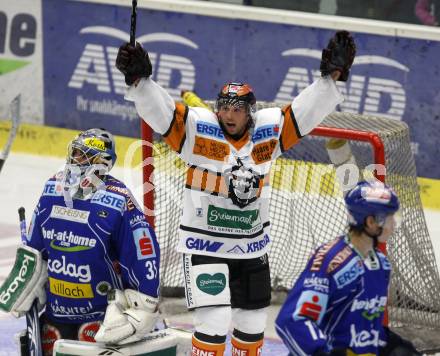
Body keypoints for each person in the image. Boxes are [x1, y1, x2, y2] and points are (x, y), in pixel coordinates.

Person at [115, 30, 355, 356]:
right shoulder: (200, 128)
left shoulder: (269, 131)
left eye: (236, 109)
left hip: (252, 248)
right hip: (204, 245)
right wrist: (141, 81)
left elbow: (304, 112)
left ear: (250, 112)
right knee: (214, 322)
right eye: (224, 107)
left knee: (254, 323)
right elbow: (163, 114)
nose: (228, 114)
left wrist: (330, 79)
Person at [2, 128, 160, 355]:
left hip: (101, 321)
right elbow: (36, 248)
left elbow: (142, 252)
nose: (74, 160)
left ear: (102, 162)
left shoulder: (119, 200)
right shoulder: (52, 191)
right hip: (55, 317)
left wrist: (144, 301)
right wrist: (26, 274)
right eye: (74, 153)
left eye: (82, 155)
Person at [275, 180, 421, 356]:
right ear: (371, 222)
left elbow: (361, 323)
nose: (394, 226)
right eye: (390, 218)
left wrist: (392, 346)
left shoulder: (381, 265)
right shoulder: (330, 262)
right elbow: (293, 320)